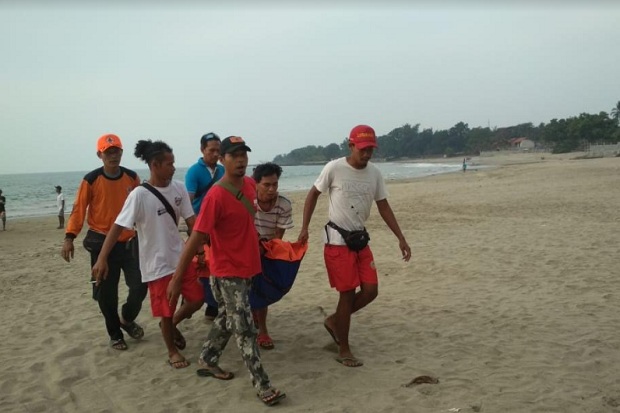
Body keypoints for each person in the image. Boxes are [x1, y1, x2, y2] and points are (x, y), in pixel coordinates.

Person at [169, 136, 286, 406]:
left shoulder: (248, 185)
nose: (241, 159)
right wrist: (177, 278)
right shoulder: (215, 196)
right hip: (226, 271)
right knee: (244, 327)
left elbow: (260, 207)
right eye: (234, 155)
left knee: (226, 317)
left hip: (248, 266)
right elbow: (196, 237)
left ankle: (208, 359)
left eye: (244, 154)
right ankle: (263, 385)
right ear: (222, 160)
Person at [298, 124, 412, 368]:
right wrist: (304, 227)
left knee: (371, 291)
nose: (367, 154)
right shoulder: (334, 168)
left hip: (360, 239)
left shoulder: (375, 174)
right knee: (347, 294)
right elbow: (312, 195)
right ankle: (344, 349)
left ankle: (334, 321)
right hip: (337, 241)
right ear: (350, 146)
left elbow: (383, 206)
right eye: (362, 149)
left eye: (371, 149)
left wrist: (400, 237)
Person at [92, 139, 204, 369]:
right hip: (156, 264)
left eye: (173, 163)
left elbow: (192, 221)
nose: (173, 167)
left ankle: (171, 325)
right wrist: (102, 257)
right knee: (165, 309)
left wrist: (201, 247)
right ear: (155, 165)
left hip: (180, 257)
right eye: (169, 164)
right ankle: (172, 351)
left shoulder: (179, 188)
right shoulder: (139, 195)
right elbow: (117, 227)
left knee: (197, 299)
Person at [61, 133, 147, 351]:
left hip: (128, 241)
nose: (113, 156)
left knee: (140, 286)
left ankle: (126, 319)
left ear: (121, 152)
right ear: (100, 154)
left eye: (116, 151)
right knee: (106, 294)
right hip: (101, 245)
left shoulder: (132, 178)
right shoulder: (91, 180)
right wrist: (69, 237)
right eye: (108, 152)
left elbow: (141, 209)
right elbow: (79, 210)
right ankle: (115, 333)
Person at [252, 162, 293, 350]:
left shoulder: (283, 204)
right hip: (246, 246)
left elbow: (278, 237)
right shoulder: (247, 201)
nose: (271, 189)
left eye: (275, 184)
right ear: (256, 184)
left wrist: (266, 250)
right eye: (266, 185)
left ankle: (263, 330)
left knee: (263, 290)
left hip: (268, 248)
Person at [184, 132, 225, 321]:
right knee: (201, 265)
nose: (216, 154)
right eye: (212, 150)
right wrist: (194, 228)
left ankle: (213, 305)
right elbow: (187, 203)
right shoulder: (193, 171)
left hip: (219, 226)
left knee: (217, 264)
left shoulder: (223, 171)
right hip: (200, 225)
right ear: (202, 150)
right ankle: (193, 301)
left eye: (219, 150)